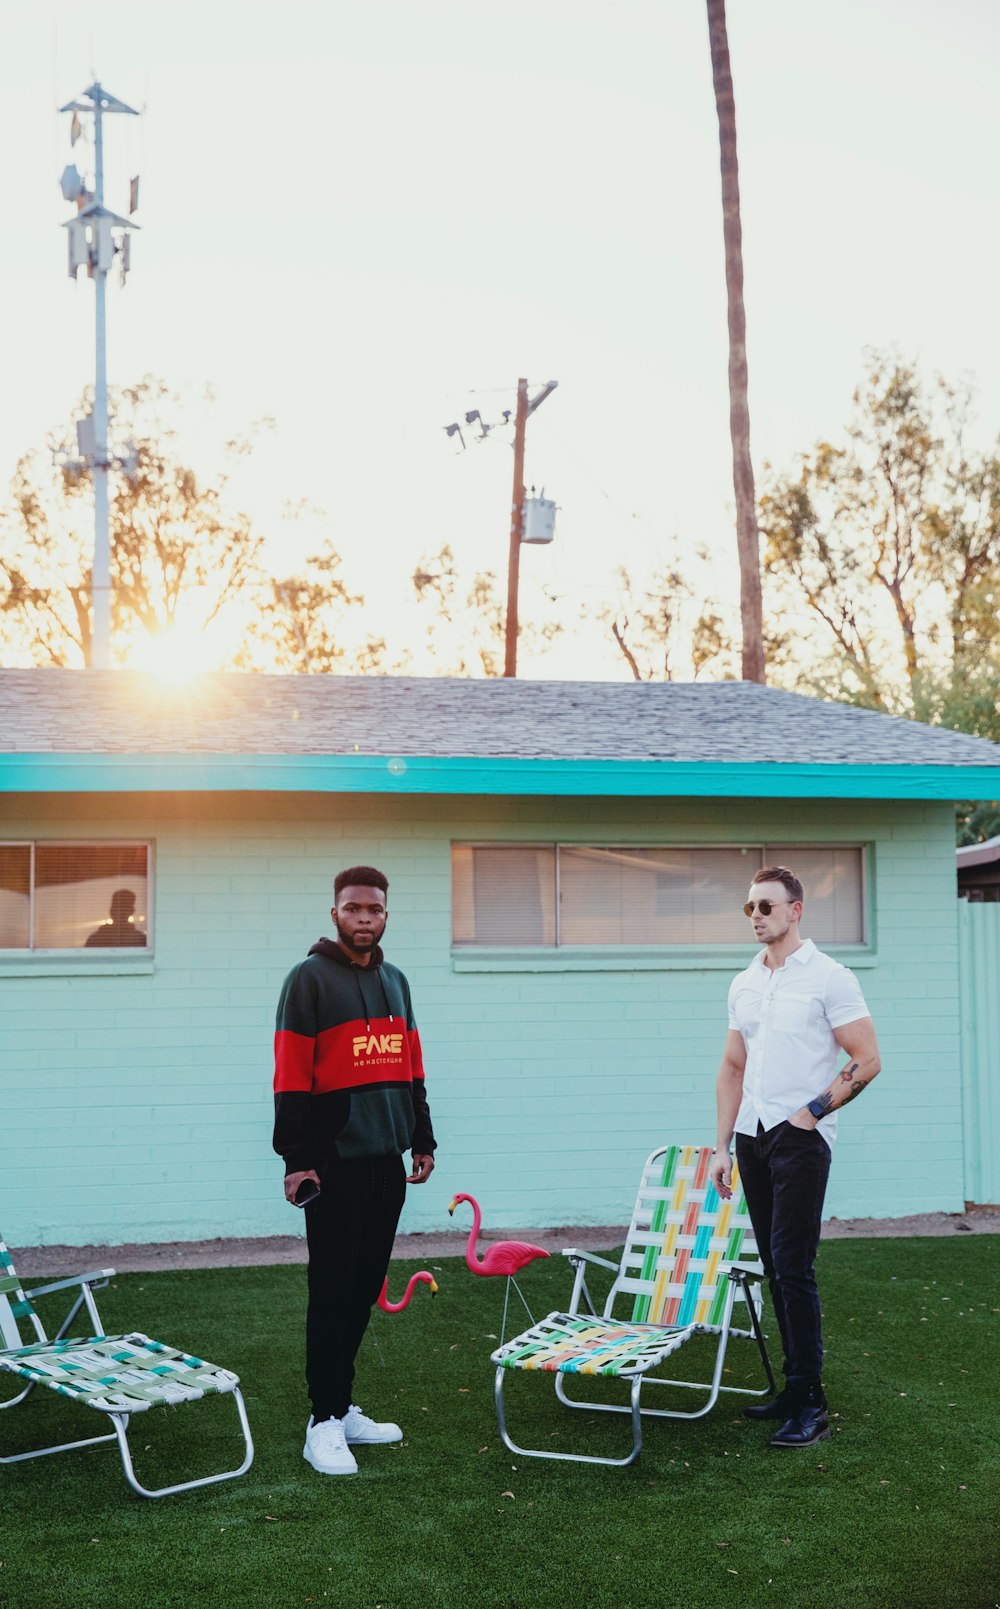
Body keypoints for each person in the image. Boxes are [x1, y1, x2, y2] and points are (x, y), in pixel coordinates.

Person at [710, 865, 881, 1449]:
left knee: (793, 1266)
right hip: (753, 1138)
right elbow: (732, 1067)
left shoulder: (829, 977)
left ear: (795, 910)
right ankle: (793, 1388)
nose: (755, 916)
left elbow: (867, 1058)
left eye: (765, 906)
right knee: (775, 1269)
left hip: (801, 1137)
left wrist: (812, 1113)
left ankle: (811, 1402)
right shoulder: (744, 983)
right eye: (749, 908)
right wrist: (722, 1146)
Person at [273, 866, 436, 1476]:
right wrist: (296, 1160)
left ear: (386, 915)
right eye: (353, 908)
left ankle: (341, 1409)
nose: (364, 917)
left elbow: (412, 1066)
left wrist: (420, 1136)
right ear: (335, 913)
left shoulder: (396, 982)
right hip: (333, 1165)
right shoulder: (308, 979)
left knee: (364, 1289)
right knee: (332, 1291)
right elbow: (289, 1074)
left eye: (374, 909)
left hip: (386, 1164)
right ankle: (321, 1422)